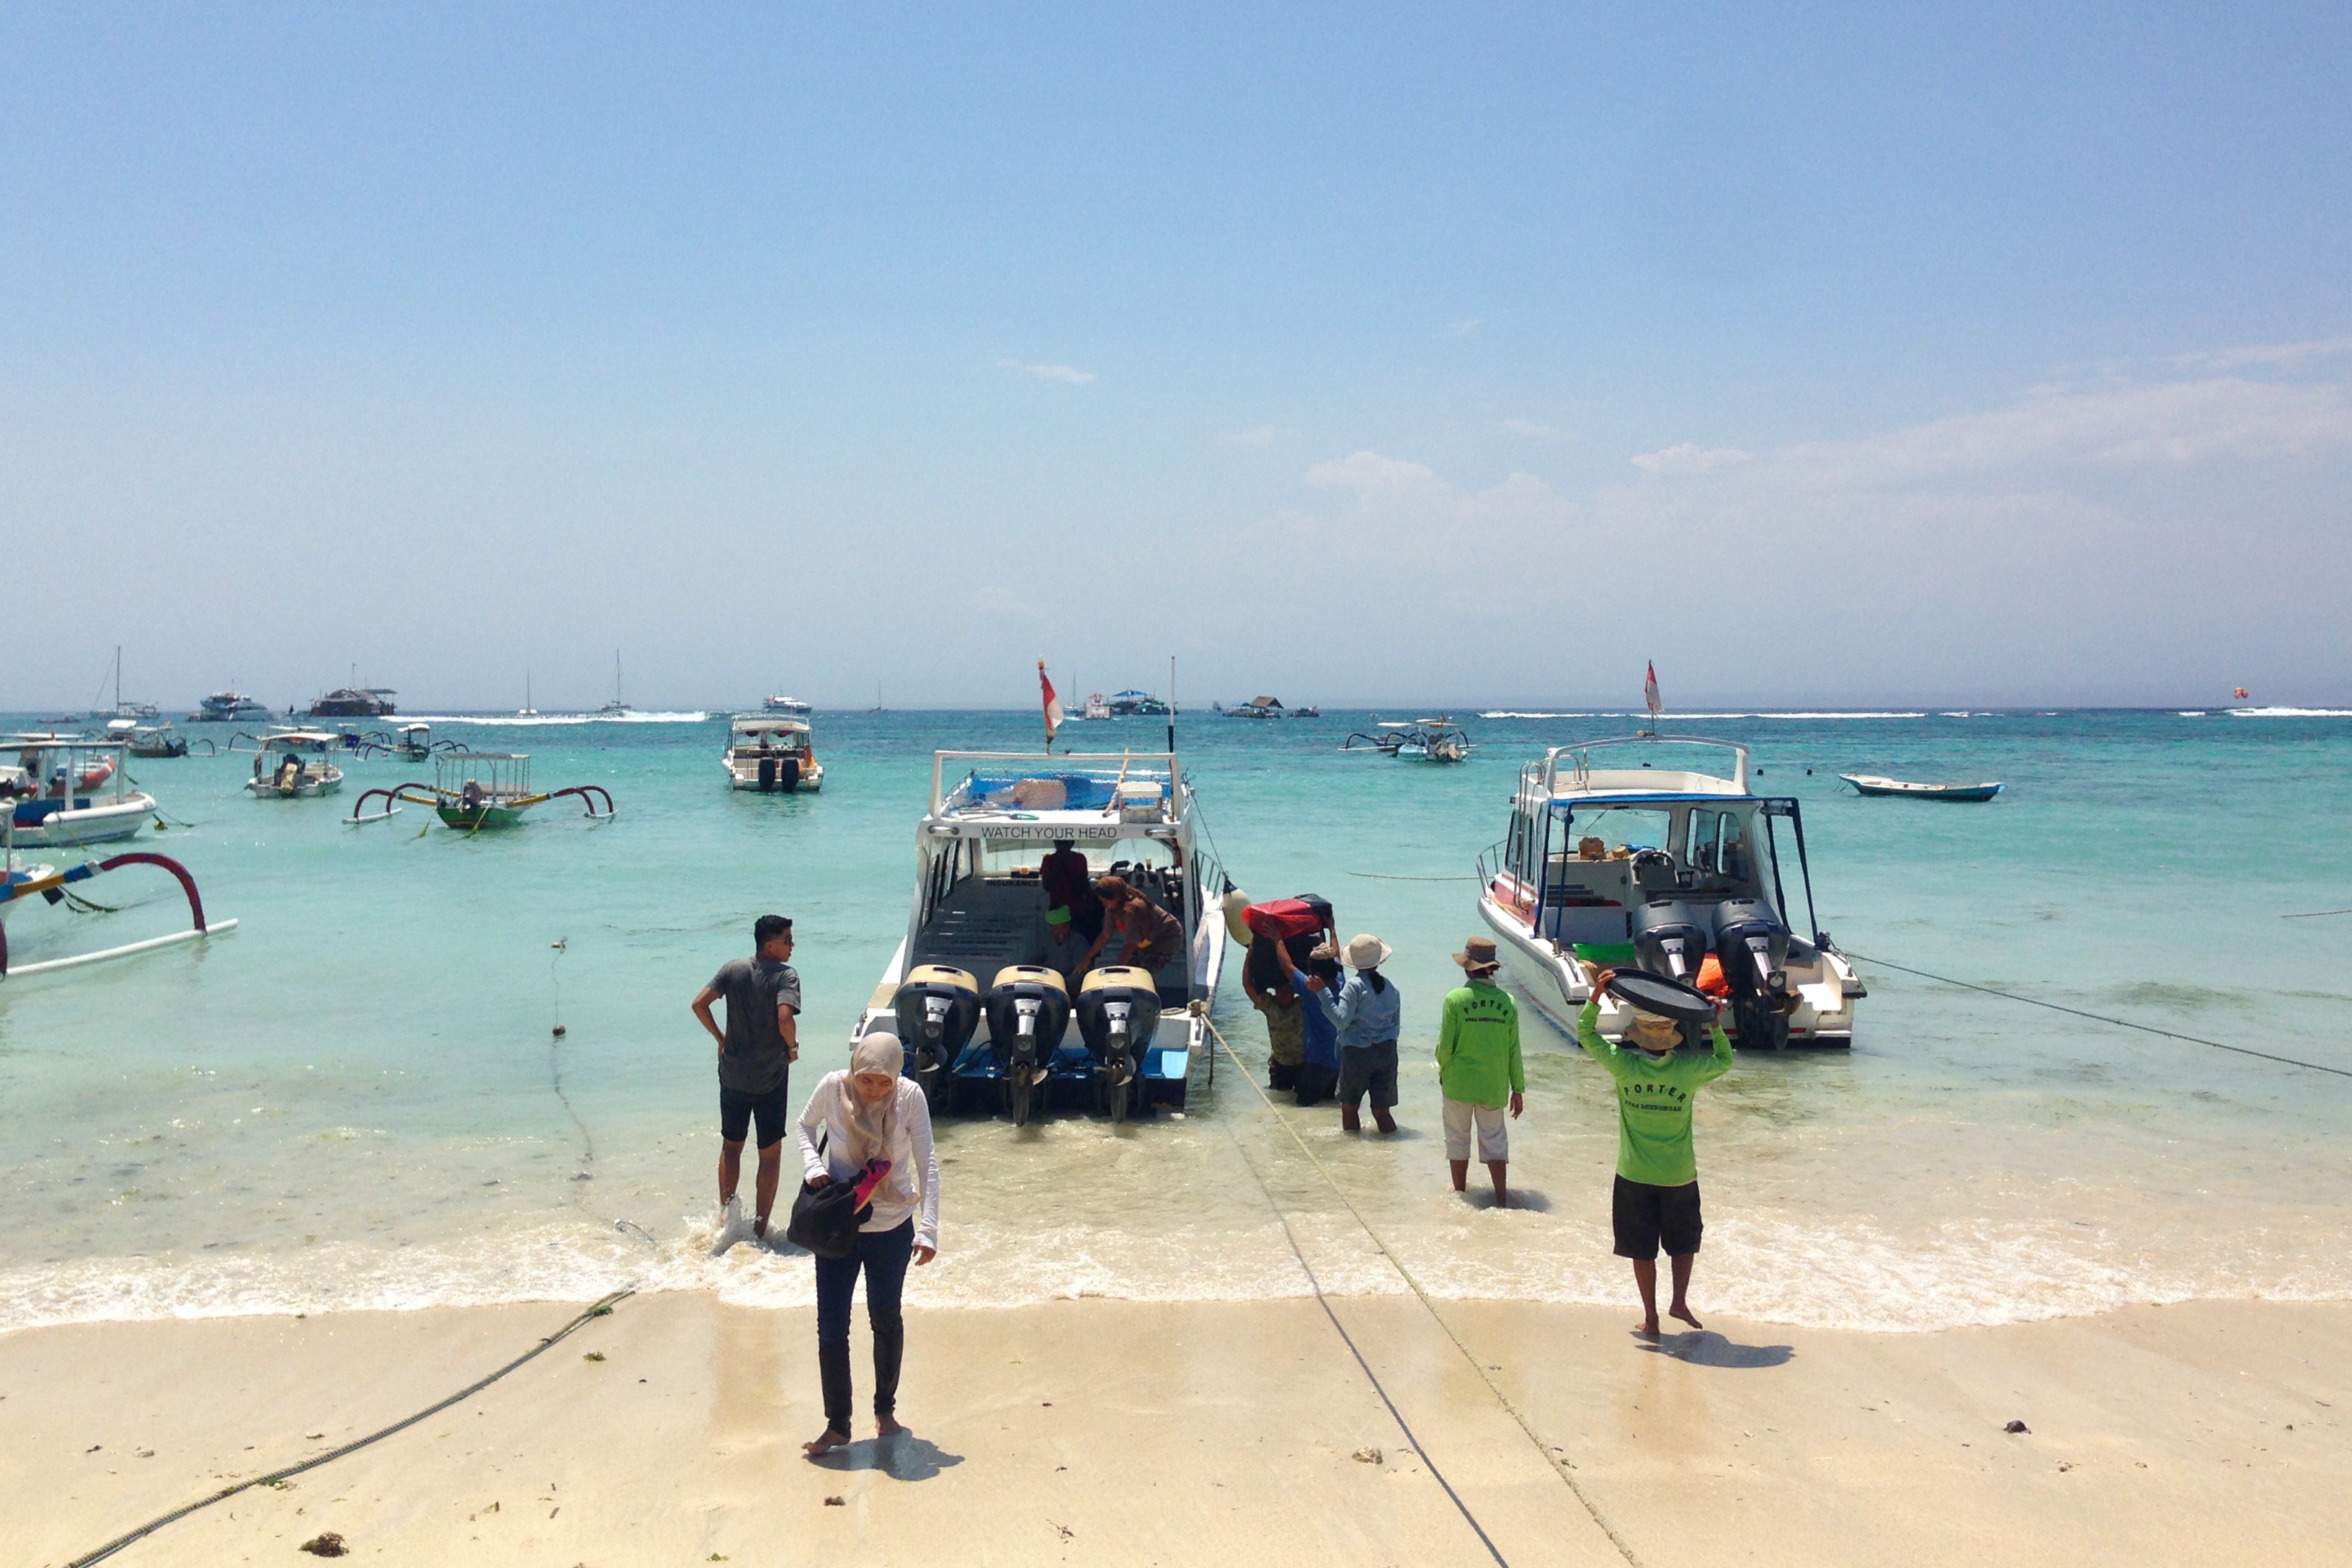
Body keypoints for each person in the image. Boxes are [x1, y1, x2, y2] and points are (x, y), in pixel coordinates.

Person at [798, 1030, 940, 1456]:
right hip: (841, 1224)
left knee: (886, 1318)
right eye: (866, 1079)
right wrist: (812, 1165)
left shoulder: (911, 1097)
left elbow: (927, 1162)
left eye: (884, 1082)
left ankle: (885, 1409)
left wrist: (928, 1229)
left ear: (897, 1076)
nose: (874, 1089)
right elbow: (805, 1126)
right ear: (855, 1068)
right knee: (831, 1326)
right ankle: (837, 1424)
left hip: (893, 1226)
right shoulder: (831, 1086)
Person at [1580, 966, 1733, 1337]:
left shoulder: (1624, 1066)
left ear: (1637, 1036)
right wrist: (1714, 1024)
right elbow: (1725, 1062)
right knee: (1684, 1243)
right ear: (1672, 1037)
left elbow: (1585, 1033)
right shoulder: (1689, 1070)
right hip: (1680, 1175)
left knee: (1641, 1250)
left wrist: (1597, 996)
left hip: (1633, 1176)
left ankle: (1651, 1317)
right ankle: (1679, 1300)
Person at [689, 915, 801, 1253]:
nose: (792, 945)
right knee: (770, 1154)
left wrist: (720, 1039)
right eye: (788, 940)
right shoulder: (786, 976)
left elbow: (699, 1004)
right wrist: (793, 1049)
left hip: (733, 1075)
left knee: (731, 1147)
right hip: (770, 1077)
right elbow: (785, 1018)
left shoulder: (733, 969)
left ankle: (727, 1223)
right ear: (771, 944)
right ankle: (762, 1229)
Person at [1435, 936, 1525, 1204]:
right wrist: (1518, 1089)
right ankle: (1501, 1199)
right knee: (1495, 1141)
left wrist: (1443, 1070)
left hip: (1458, 1082)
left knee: (1457, 1138)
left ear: (1467, 967)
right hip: (1493, 1084)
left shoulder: (1455, 999)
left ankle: (1460, 1196)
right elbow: (1513, 1051)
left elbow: (1445, 1047)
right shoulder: (1508, 1002)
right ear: (1492, 968)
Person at [1305, 933, 1402, 1133]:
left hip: (1359, 1053)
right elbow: (1395, 1027)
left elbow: (1341, 1021)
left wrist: (1323, 993)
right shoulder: (1392, 987)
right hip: (1387, 1052)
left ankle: (1351, 1157)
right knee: (1382, 1111)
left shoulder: (1354, 986)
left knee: (1350, 1109)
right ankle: (1392, 1153)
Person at [1080, 875, 1183, 979]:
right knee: (1134, 968)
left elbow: (1131, 944)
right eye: (1103, 902)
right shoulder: (1111, 909)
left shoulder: (1133, 910)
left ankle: (1147, 993)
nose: (1104, 905)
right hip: (1145, 940)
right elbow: (1105, 936)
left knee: (1140, 973)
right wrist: (1087, 959)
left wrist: (1119, 970)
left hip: (1168, 936)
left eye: (1106, 902)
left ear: (1116, 897)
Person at [1243, 935, 1306, 1091]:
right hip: (1279, 1064)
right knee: (1280, 1100)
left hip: (1303, 1063)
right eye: (1280, 991)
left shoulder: (1302, 1005)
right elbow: (1248, 985)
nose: (1283, 994)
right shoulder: (1269, 1005)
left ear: (1294, 991)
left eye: (1287, 990)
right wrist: (1249, 956)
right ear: (1275, 991)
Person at [1291, 945, 1344, 1107]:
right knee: (1327, 1105)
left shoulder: (1311, 988)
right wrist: (1332, 929)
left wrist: (1276, 939)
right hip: (1340, 1062)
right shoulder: (1341, 982)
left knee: (1303, 1107)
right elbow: (1337, 957)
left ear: (1316, 974)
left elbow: (1288, 967)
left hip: (1319, 1063)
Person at [1039, 837, 1101, 944]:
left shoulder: (1079, 859)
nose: (1062, 846)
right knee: (1058, 942)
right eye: (1059, 843)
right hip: (1057, 911)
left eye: (1065, 843)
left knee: (1079, 941)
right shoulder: (1049, 860)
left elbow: (1083, 885)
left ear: (1071, 844)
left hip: (1077, 910)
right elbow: (1046, 886)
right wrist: (1058, 865)